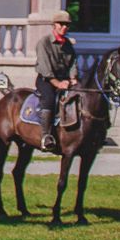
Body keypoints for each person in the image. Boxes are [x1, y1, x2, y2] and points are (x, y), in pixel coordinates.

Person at [33, 10, 78, 151]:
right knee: (50, 99)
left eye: (67, 25)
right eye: (61, 24)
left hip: (64, 81)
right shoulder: (44, 42)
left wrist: (73, 78)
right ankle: (46, 136)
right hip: (46, 80)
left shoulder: (68, 45)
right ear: (54, 25)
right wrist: (57, 83)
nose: (64, 27)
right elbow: (44, 66)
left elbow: (73, 63)